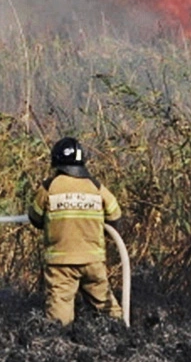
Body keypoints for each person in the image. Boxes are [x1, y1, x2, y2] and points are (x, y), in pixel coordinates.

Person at [28, 136, 124, 325]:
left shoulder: (49, 187)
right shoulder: (96, 187)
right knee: (107, 307)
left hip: (61, 264)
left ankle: (61, 347)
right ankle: (123, 335)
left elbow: (35, 218)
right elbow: (115, 218)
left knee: (59, 314)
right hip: (93, 261)